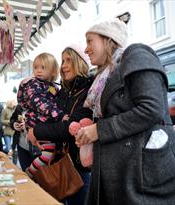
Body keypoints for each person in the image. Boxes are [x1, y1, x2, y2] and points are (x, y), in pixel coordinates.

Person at [75, 18, 175, 205]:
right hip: (117, 175)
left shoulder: (136, 54)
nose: (86, 49)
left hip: (142, 178)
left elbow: (151, 108)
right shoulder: (103, 75)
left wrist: (98, 130)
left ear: (108, 39)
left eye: (90, 41)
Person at [27, 45, 93, 205]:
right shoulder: (63, 91)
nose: (63, 65)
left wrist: (37, 131)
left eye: (68, 60)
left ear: (80, 62)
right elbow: (51, 118)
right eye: (63, 60)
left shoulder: (88, 91)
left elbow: (69, 127)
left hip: (78, 168)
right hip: (60, 163)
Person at [17, 52, 69, 178]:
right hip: (37, 124)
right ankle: (30, 172)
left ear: (53, 71)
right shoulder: (33, 84)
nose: (38, 71)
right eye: (36, 67)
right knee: (47, 154)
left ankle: (33, 173)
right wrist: (59, 115)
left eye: (43, 67)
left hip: (44, 126)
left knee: (49, 154)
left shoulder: (52, 86)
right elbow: (40, 103)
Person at [10, 104, 34, 170]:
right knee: (25, 171)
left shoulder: (41, 105)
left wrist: (28, 125)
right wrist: (14, 124)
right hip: (21, 145)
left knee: (37, 175)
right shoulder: (20, 106)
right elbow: (13, 119)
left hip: (36, 148)